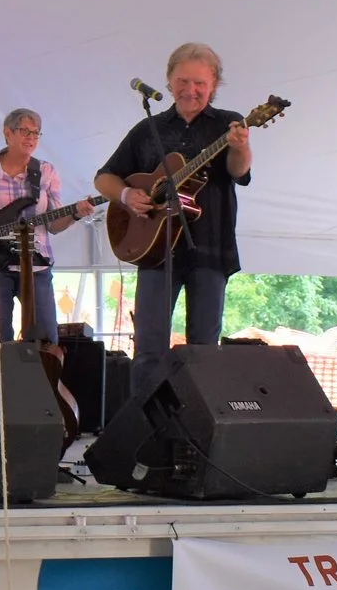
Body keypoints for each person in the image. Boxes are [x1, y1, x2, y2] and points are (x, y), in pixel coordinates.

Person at [94, 43, 253, 394]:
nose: (191, 90)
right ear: (168, 82)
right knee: (149, 348)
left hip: (210, 248)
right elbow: (104, 177)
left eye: (199, 83)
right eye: (183, 81)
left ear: (213, 85)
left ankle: (197, 429)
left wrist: (240, 146)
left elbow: (238, 172)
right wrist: (126, 195)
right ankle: (143, 427)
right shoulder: (148, 129)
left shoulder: (229, 124)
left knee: (203, 349)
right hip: (156, 251)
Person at [0, 107, 60, 343]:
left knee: (47, 340)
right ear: (7, 133)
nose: (31, 137)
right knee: (0, 343)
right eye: (24, 131)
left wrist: (78, 214)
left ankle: (43, 380)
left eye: (36, 133)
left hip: (36, 266)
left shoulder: (46, 171)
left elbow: (55, 225)